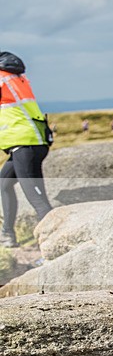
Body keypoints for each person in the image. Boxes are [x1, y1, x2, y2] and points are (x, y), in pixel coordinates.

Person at [0, 51, 53, 247]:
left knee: (38, 201)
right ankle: (7, 234)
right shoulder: (15, 78)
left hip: (25, 144)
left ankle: (52, 247)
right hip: (29, 142)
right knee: (3, 184)